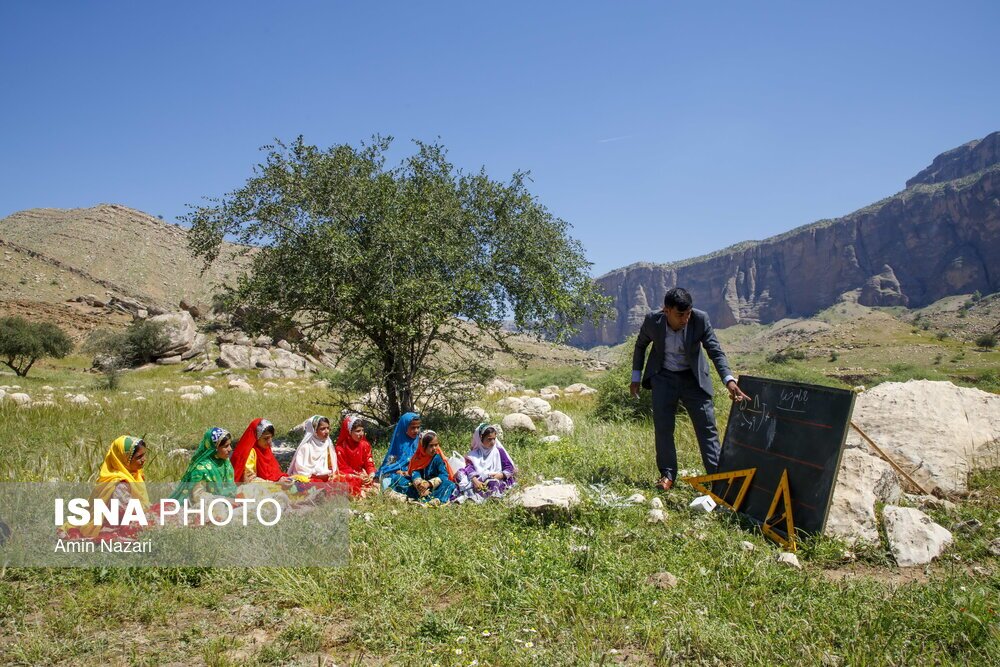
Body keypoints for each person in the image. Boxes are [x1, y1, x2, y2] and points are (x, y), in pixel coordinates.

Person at [630, 287, 749, 491]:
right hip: (663, 377)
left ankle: (717, 479)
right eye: (680, 315)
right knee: (663, 428)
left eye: (688, 314)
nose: (685, 319)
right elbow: (640, 345)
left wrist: (729, 380)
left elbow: (715, 350)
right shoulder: (652, 321)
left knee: (707, 428)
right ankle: (667, 475)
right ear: (666, 311)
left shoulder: (700, 320)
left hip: (693, 379)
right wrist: (636, 377)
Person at [61, 436, 149, 540]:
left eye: (144, 455)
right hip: (116, 524)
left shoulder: (135, 474)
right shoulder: (119, 484)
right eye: (138, 457)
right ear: (124, 460)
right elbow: (126, 513)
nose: (144, 459)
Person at [169, 427, 237, 503]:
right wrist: (225, 500)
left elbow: (231, 488)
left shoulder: (225, 462)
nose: (230, 449)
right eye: (226, 446)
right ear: (214, 448)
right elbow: (197, 497)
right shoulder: (201, 469)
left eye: (230, 445)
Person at [387, 431, 455, 505]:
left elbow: (443, 475)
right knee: (398, 478)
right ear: (423, 446)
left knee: (449, 484)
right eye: (431, 446)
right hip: (419, 487)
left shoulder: (437, 458)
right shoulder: (418, 458)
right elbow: (415, 473)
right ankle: (424, 498)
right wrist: (420, 486)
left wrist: (429, 484)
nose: (434, 448)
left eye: (436, 445)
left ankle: (436, 500)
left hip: (434, 487)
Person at [453, 423, 516, 503]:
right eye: (489, 439)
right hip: (479, 479)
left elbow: (509, 467)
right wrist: (475, 480)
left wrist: (501, 475)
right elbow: (469, 468)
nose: (493, 442)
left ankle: (484, 497)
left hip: (495, 478)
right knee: (461, 473)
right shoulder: (474, 454)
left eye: (494, 439)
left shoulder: (498, 451)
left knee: (493, 483)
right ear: (481, 438)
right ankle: (472, 494)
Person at [231, 418, 293, 487]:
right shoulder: (250, 453)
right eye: (266, 438)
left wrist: (281, 478)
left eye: (271, 437)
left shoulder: (265, 449)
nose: (270, 442)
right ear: (256, 437)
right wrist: (275, 484)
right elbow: (249, 480)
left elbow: (274, 473)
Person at [334, 416, 377, 498]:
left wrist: (371, 475)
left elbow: (369, 462)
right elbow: (342, 468)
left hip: (363, 475)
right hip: (349, 475)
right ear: (349, 432)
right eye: (357, 431)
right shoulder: (340, 448)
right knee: (337, 480)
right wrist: (358, 477)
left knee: (377, 478)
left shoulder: (364, 445)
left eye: (362, 430)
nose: (361, 434)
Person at [375, 412, 421, 484]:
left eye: (418, 427)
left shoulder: (420, 441)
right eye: (413, 428)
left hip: (417, 473)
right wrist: (398, 471)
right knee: (396, 479)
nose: (416, 431)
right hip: (401, 475)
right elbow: (389, 466)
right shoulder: (398, 444)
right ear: (404, 427)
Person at [288, 415, 336, 482]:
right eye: (322, 429)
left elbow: (332, 467)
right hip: (307, 480)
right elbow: (300, 469)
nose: (327, 431)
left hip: (325, 478)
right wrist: (315, 474)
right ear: (314, 430)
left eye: (328, 428)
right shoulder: (305, 447)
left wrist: (328, 474)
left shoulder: (328, 446)